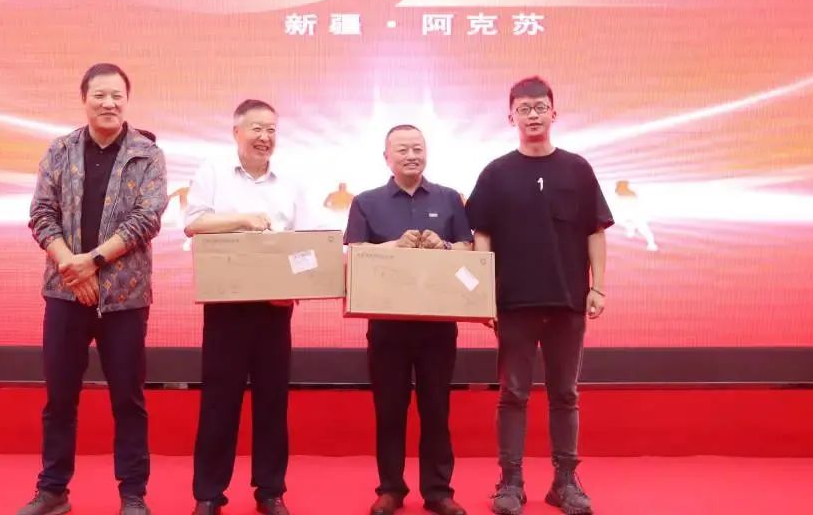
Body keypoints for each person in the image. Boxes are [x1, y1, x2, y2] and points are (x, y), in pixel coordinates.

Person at [20, 63, 169, 515]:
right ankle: (53, 490)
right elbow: (41, 214)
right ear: (84, 99)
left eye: (117, 96)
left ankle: (133, 495)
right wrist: (71, 264)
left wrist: (94, 263)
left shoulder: (147, 154)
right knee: (60, 397)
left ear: (127, 100)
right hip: (65, 292)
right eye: (100, 95)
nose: (109, 103)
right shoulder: (60, 150)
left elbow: (147, 219)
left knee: (128, 399)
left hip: (124, 298)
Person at [465, 77, 613, 515]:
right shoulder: (496, 173)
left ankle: (565, 482)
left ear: (554, 112)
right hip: (513, 303)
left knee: (565, 393)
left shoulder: (577, 169)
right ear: (510, 116)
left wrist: (598, 285)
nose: (532, 115)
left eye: (540, 107)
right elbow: (481, 235)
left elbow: (595, 230)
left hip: (568, 302)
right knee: (513, 393)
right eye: (524, 108)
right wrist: (483, 295)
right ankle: (510, 482)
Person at [184, 99, 320, 515]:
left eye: (271, 130)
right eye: (256, 128)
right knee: (219, 401)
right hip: (225, 305)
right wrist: (243, 220)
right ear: (237, 132)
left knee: (272, 401)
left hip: (275, 307)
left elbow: (308, 244)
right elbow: (194, 223)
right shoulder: (213, 172)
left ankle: (270, 491)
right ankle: (209, 493)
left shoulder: (291, 181)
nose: (265, 137)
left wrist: (297, 287)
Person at [344, 125, 473, 515]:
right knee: (389, 409)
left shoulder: (450, 199)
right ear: (387, 157)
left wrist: (444, 246)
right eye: (402, 150)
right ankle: (390, 488)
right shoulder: (366, 202)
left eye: (418, 148)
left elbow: (468, 250)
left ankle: (438, 491)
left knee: (436, 409)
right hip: (387, 325)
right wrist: (393, 247)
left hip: (437, 324)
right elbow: (355, 254)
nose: (411, 155)